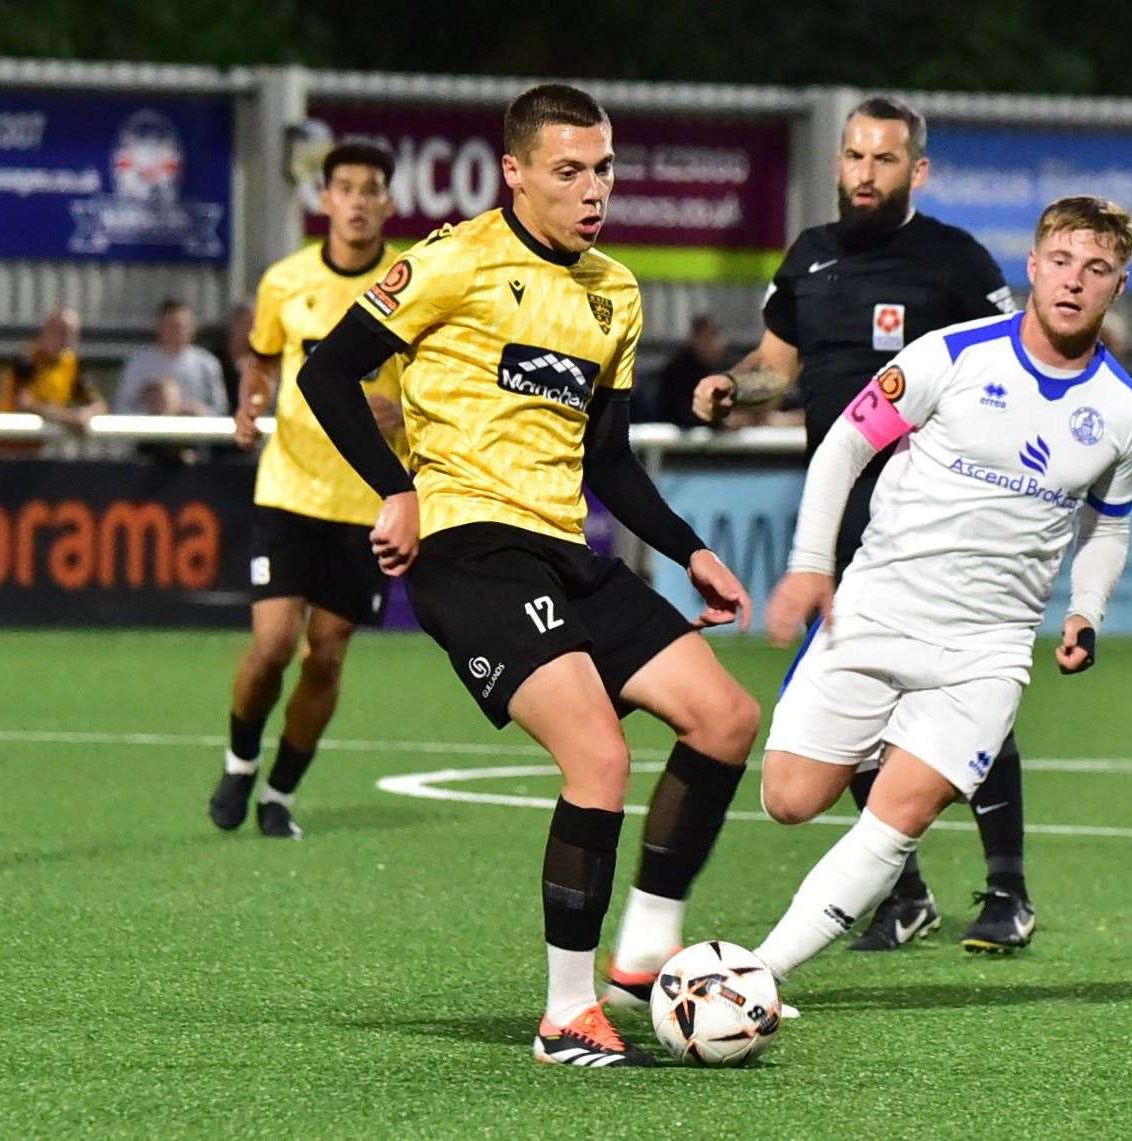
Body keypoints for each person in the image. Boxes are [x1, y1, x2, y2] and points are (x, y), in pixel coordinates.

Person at [297, 84, 761, 1068]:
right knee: (597, 759)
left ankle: (642, 951)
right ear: (514, 172)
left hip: (564, 550)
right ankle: (564, 1014)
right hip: (467, 547)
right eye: (567, 171)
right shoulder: (452, 260)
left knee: (724, 719)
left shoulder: (614, 291)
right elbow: (327, 373)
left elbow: (610, 460)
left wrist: (690, 551)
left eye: (601, 170)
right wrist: (395, 489)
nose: (591, 190)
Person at [750, 196, 1132, 992]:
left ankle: (757, 975)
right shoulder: (950, 354)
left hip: (986, 649)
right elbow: (843, 447)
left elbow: (1107, 527)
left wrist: (1085, 611)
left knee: (895, 820)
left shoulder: (1124, 414)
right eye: (1062, 262)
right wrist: (808, 565)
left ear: (1117, 286)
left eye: (1096, 269)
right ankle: (886, 731)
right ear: (1032, 268)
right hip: (878, 608)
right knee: (788, 798)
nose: (1075, 282)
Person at [693, 95, 1037, 955]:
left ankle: (1006, 890)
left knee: (965, 689)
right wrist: (735, 388)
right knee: (858, 703)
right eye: (853, 157)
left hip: (938, 524)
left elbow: (1011, 370)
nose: (863, 174)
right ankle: (905, 891)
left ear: (915, 171)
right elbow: (777, 368)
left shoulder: (953, 263)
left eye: (883, 160)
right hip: (845, 522)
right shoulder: (809, 258)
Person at [206, 143, 409, 840]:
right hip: (289, 486)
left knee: (325, 652)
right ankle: (239, 761)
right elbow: (262, 355)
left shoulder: (413, 283)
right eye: (344, 188)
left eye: (370, 189)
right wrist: (250, 398)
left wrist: (406, 412)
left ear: (388, 202)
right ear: (323, 200)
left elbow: (443, 377)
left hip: (367, 499)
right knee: (270, 645)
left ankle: (280, 793)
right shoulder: (286, 280)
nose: (356, 201)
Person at [0, 307, 104, 454]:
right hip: (4, 445)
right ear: (46, 331)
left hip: (38, 449)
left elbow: (98, 404)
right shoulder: (27, 359)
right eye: (61, 333)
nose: (67, 340)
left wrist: (86, 414)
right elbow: (23, 403)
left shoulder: (72, 364)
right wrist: (69, 418)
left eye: (72, 335)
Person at [114, 299, 228, 417]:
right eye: (172, 326)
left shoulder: (207, 363)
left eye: (183, 326)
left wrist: (196, 410)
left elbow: (220, 409)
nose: (178, 331)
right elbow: (122, 407)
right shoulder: (139, 362)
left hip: (195, 431)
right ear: (159, 327)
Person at [648, 314, 732, 427]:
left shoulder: (720, 367)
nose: (716, 345)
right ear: (697, 338)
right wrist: (721, 420)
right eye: (709, 338)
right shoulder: (678, 370)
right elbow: (681, 414)